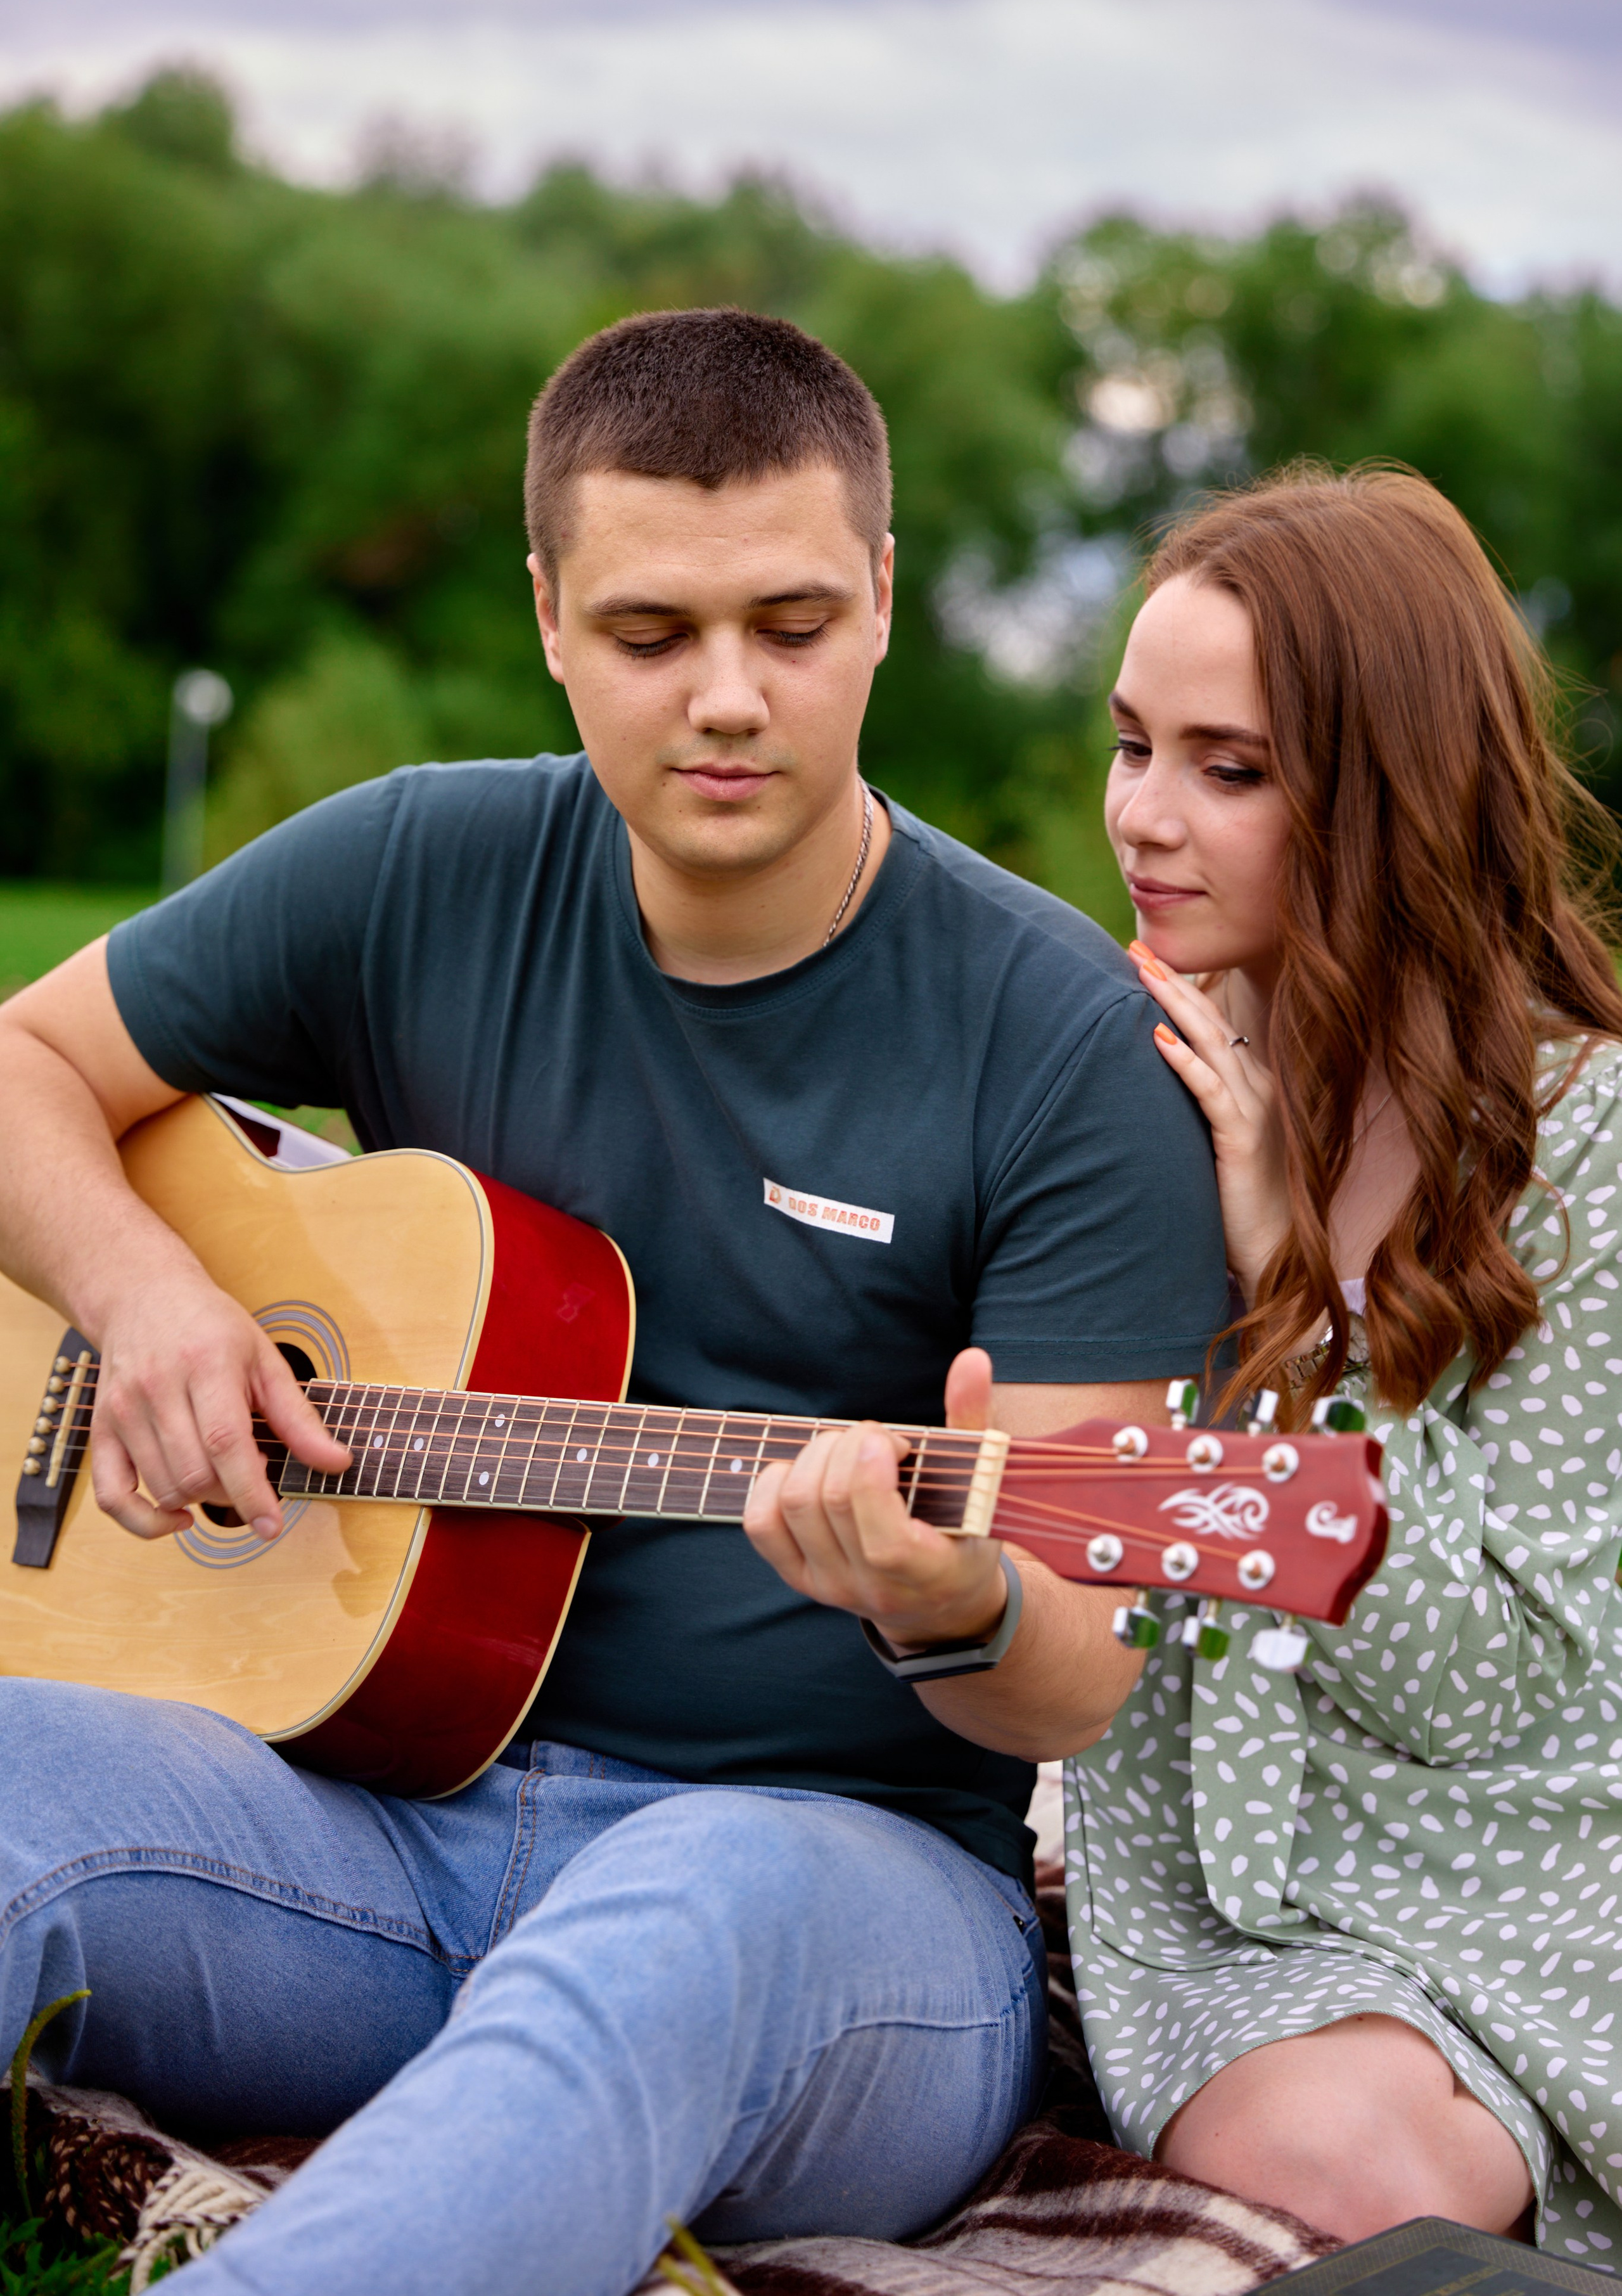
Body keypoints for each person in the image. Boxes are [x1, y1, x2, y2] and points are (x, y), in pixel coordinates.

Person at [0, 307, 1229, 2296]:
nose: (728, 698)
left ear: (889, 600)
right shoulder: (419, 867)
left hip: (841, 1900)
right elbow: (22, 1065)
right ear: (552, 613)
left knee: (680, 1908)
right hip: (363, 1822)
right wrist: (143, 1296)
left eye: (794, 624)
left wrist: (950, 1594)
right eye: (653, 635)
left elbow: (1080, 1659)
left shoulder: (1065, 1048)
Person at [1069, 461, 1622, 2266]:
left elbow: (1492, 1697)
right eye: (1134, 742)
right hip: (1221, 1904)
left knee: (1363, 2165)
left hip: (1532, 1873)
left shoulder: (1587, 1141)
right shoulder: (1108, 1087)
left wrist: (1296, 1306)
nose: (1145, 816)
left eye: (1229, 768)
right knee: (1327, 2147)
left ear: (1388, 793)